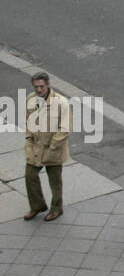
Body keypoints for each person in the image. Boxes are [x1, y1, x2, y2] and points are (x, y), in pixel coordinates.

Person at [24, 72, 69, 222]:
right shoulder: (31, 99)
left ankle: (57, 208)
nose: (38, 90)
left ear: (48, 85)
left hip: (53, 148)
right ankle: (37, 205)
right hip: (36, 147)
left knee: (55, 181)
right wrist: (29, 140)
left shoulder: (61, 102)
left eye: (41, 86)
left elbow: (65, 128)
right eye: (36, 86)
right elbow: (28, 121)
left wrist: (54, 146)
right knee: (30, 175)